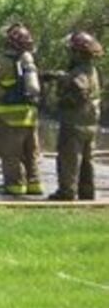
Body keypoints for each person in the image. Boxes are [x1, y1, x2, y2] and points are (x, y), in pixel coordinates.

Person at [42, 31, 104, 201]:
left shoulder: (79, 73)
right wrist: (59, 76)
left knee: (68, 159)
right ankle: (87, 192)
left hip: (74, 122)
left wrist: (64, 101)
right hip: (90, 123)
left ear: (78, 53)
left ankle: (66, 192)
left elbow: (80, 89)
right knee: (86, 161)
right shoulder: (92, 69)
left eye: (71, 51)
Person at [0, 23, 43, 197]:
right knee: (31, 153)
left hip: (9, 117)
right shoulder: (29, 62)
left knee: (11, 154)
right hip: (30, 117)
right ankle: (34, 185)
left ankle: (15, 187)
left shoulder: (0, 62)